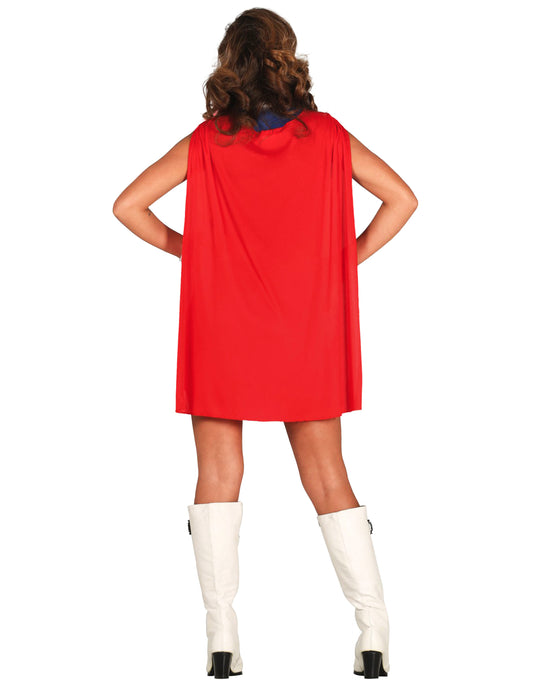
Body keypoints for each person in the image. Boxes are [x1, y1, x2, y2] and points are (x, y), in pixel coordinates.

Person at [113, 7, 417, 681]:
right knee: (329, 477)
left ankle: (221, 639)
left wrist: (195, 252)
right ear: (287, 59)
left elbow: (127, 205)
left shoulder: (207, 141)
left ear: (230, 63)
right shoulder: (327, 135)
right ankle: (372, 633)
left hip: (223, 326)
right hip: (305, 327)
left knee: (217, 476)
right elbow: (401, 198)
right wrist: (342, 261)